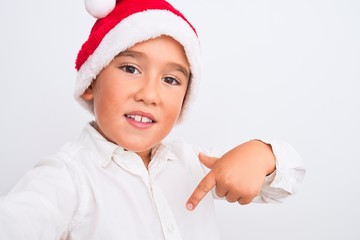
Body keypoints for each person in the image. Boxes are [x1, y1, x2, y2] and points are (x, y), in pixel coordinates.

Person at [0, 0, 305, 239]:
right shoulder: (67, 178)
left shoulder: (193, 163)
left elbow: (285, 182)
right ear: (92, 81)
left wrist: (261, 154)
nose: (150, 95)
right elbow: (18, 221)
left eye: (171, 80)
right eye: (131, 69)